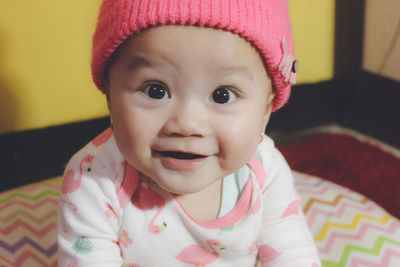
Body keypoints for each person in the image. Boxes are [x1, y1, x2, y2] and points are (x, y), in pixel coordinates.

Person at [58, 0, 321, 266]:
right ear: (110, 96)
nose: (186, 124)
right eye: (155, 90)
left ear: (265, 111)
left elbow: (293, 251)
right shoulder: (94, 178)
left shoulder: (265, 171)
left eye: (223, 95)